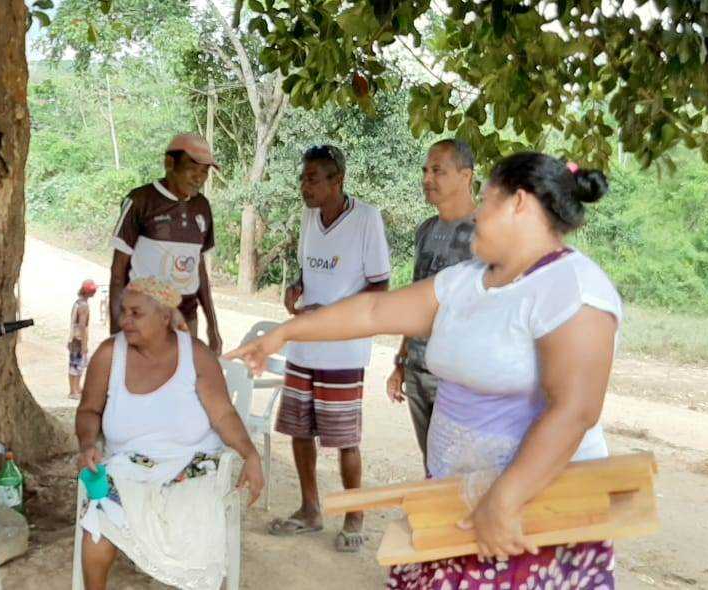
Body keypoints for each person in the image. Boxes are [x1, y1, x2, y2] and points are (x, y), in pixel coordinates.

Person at [228, 152, 621, 588]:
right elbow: (374, 310)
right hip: (455, 501)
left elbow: (575, 409)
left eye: (487, 201)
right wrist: (285, 333)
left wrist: (506, 499)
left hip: (532, 514)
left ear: (520, 204)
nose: (477, 212)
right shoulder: (466, 281)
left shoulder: (572, 287)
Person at [75, 277, 264, 590]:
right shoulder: (111, 354)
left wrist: (250, 453)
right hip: (127, 466)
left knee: (195, 520)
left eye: (136, 313)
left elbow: (223, 413)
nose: (125, 320)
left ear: (165, 317)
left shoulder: (196, 355)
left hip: (191, 464)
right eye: (124, 312)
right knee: (99, 517)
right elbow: (88, 410)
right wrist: (87, 444)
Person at [268, 145, 391, 553]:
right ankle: (310, 509)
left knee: (344, 439)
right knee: (299, 431)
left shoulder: (367, 219)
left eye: (313, 179)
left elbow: (380, 286)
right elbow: (308, 271)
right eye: (303, 178)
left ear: (337, 181)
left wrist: (333, 314)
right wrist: (297, 288)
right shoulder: (308, 217)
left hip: (343, 348)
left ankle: (354, 514)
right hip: (304, 344)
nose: (304, 186)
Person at [387, 140, 477, 470]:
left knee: (457, 470)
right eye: (425, 170)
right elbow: (416, 300)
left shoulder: (486, 234)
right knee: (431, 467)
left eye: (438, 170)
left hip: (458, 378)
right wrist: (401, 360)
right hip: (418, 371)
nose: (428, 178)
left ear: (466, 176)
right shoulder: (426, 230)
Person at [109, 133, 223, 354]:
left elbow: (199, 270)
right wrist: (116, 332)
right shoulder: (141, 201)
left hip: (187, 317)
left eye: (205, 172)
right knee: (143, 379)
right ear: (169, 163)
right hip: (144, 316)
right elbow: (117, 272)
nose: (199, 178)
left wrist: (213, 326)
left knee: (181, 381)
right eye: (193, 168)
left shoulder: (202, 207)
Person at [69, 279, 98, 399]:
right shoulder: (84, 307)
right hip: (79, 339)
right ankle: (74, 390)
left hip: (73, 337)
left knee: (74, 364)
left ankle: (75, 387)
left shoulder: (77, 303)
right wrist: (84, 344)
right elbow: (82, 326)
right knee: (78, 365)